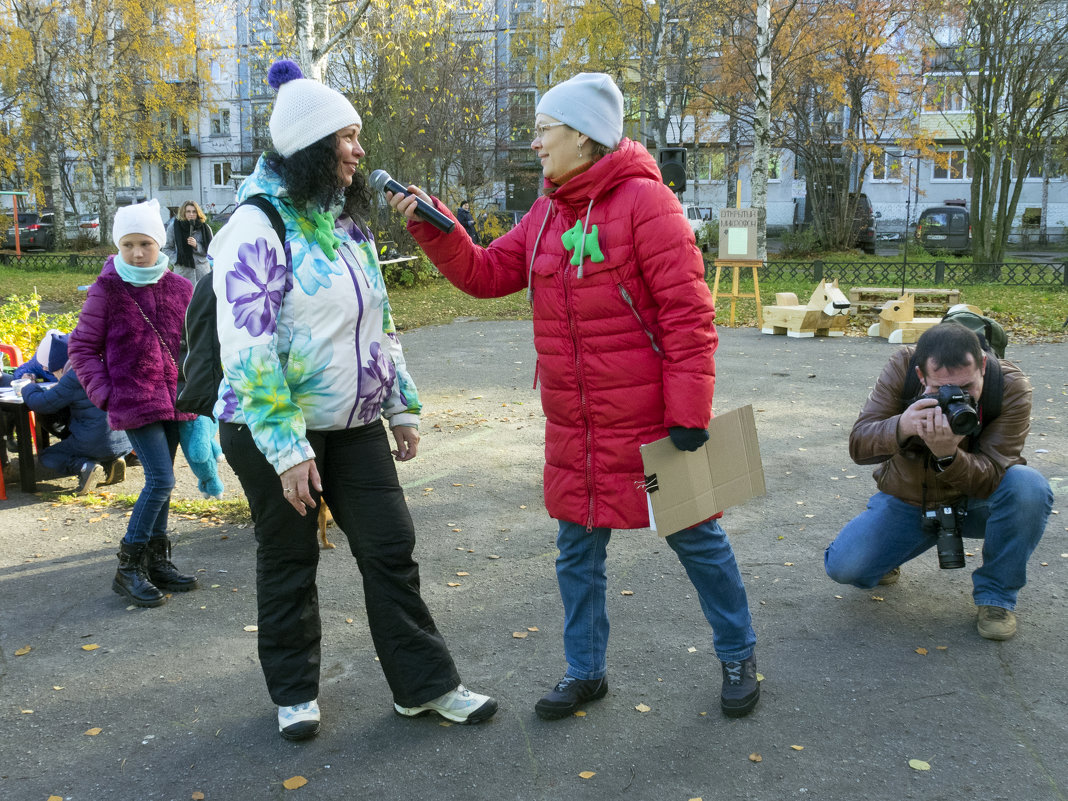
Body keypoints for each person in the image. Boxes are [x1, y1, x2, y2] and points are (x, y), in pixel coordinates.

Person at [387, 72, 760, 720]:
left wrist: (690, 413)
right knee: (576, 552)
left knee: (699, 540)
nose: (535, 144)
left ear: (584, 137)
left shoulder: (649, 204)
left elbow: (688, 316)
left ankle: (738, 651)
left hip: (654, 422)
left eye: (544, 131)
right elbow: (485, 272)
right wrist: (436, 226)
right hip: (577, 427)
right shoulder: (547, 214)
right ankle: (585, 671)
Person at [209, 59, 497, 741]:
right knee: (289, 556)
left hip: (355, 421)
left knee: (390, 545)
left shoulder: (349, 225)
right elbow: (246, 352)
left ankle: (425, 687)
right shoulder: (256, 226)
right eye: (347, 137)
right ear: (312, 144)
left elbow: (380, 322)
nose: (360, 151)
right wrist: (286, 451)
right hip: (270, 429)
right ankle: (293, 692)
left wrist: (399, 405)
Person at [825, 323, 1053, 640]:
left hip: (977, 501)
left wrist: (949, 454)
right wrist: (901, 426)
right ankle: (894, 552)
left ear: (983, 364)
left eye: (968, 387)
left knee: (1029, 487)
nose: (957, 397)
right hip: (911, 501)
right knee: (844, 567)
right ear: (921, 376)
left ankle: (996, 597)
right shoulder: (902, 367)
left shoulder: (1010, 386)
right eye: (941, 390)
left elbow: (993, 474)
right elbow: (858, 447)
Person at [68, 199, 200, 608]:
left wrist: (198, 383)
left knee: (161, 484)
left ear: (160, 244)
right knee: (161, 480)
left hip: (178, 398)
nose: (137, 253)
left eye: (145, 243)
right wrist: (106, 394)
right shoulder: (107, 289)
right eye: (128, 244)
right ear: (117, 246)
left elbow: (196, 343)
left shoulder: (181, 287)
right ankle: (127, 568)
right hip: (134, 400)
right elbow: (82, 347)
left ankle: (157, 562)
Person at [19, 330, 131, 494]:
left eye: (54, 372)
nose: (56, 376)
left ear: (62, 365)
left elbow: (42, 404)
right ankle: (114, 461)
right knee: (98, 442)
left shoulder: (75, 376)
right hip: (127, 439)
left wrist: (28, 386)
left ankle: (85, 466)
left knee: (48, 456)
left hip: (94, 441)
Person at [163, 200, 213, 285]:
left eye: (194, 211)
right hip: (183, 273)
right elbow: (167, 249)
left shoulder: (205, 228)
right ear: (183, 213)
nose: (191, 214)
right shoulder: (174, 227)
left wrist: (197, 246)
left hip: (202, 272)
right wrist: (177, 260)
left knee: (202, 297)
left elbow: (212, 249)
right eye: (188, 211)